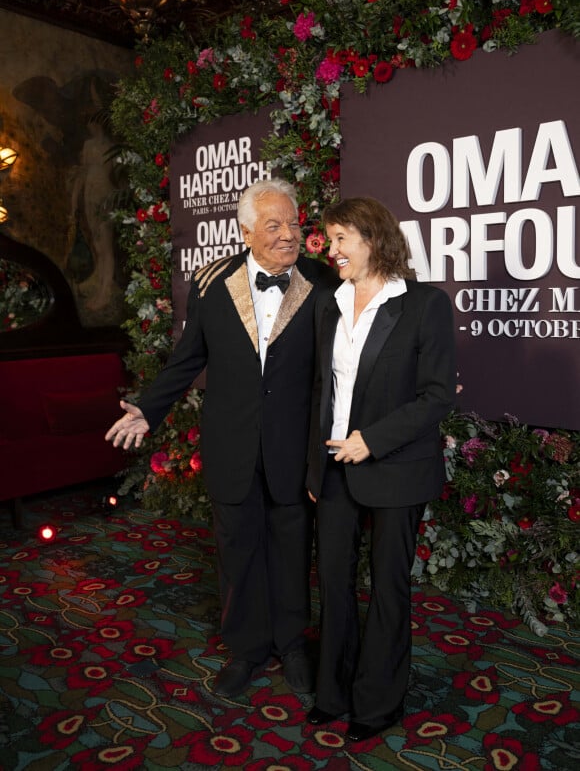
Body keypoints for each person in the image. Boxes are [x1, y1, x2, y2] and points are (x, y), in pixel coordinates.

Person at [106, 178, 338, 698]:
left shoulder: (324, 283)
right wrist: (149, 408)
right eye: (273, 225)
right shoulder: (213, 284)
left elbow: (346, 361)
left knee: (292, 548)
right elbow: (189, 357)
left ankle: (292, 644)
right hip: (232, 445)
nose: (287, 234)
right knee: (237, 549)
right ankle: (248, 648)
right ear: (246, 231)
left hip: (293, 448)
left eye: (293, 223)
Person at [305, 197, 456, 742]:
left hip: (395, 466)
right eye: (330, 238)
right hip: (334, 465)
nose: (332, 249)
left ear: (374, 239)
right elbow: (322, 391)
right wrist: (314, 470)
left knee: (388, 588)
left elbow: (437, 396)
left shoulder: (423, 305)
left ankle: (378, 702)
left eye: (342, 238)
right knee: (335, 582)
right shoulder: (331, 302)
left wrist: (372, 441)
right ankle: (334, 691)